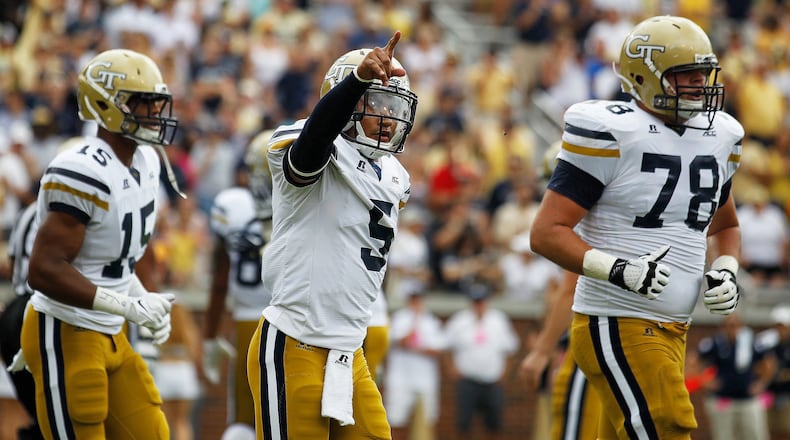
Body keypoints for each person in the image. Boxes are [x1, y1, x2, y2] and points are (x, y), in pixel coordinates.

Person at [528, 16, 744, 439]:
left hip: (675, 328)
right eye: (686, 75)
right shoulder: (613, 132)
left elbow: (725, 225)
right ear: (645, 77)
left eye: (704, 72)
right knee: (669, 425)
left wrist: (729, 268)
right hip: (617, 317)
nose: (701, 83)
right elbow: (546, 232)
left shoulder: (719, 135)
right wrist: (618, 269)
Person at [246, 31, 418, 439]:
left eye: (392, 105)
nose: (386, 115)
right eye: (374, 102)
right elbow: (311, 148)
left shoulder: (395, 175)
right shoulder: (307, 141)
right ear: (345, 98)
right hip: (294, 343)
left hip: (350, 353)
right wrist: (358, 79)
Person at [18, 48, 179, 439]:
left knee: (152, 432)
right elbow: (43, 270)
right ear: (105, 105)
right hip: (65, 329)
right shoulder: (81, 169)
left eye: (156, 103)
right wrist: (126, 305)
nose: (154, 114)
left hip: (112, 331)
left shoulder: (148, 162)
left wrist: (141, 297)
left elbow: (121, 258)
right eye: (142, 103)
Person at [203, 130, 274, 440]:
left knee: (244, 420)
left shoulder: (232, 205)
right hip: (295, 323)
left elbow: (220, 281)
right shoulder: (306, 207)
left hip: (247, 322)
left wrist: (210, 335)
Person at [444, 282, 519, 440]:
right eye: (476, 301)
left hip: (492, 381)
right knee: (463, 423)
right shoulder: (460, 321)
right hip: (467, 380)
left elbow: (510, 350)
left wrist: (504, 374)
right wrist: (451, 368)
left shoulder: (499, 320)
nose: (479, 305)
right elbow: (446, 346)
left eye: (481, 301)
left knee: (494, 424)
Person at [695, 313, 773, 440]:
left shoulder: (751, 342)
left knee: (755, 434)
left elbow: (769, 362)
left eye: (735, 325)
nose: (732, 329)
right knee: (724, 436)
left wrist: (761, 383)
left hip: (748, 399)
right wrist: (705, 381)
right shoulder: (715, 343)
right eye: (729, 325)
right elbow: (695, 361)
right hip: (723, 400)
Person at [384, 290, 446, 440]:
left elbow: (437, 350)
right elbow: (404, 341)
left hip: (425, 380)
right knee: (396, 420)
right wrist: (415, 321)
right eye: (413, 299)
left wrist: (416, 348)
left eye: (419, 299)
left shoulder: (431, 321)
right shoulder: (399, 318)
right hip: (400, 379)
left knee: (425, 422)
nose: (416, 303)